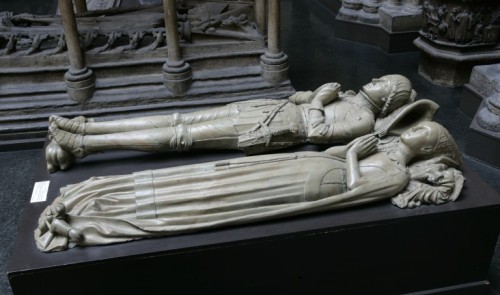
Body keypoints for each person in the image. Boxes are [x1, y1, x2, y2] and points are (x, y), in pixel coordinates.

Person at [35, 121, 464, 252]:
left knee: (217, 195)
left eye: (424, 132)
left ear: (429, 147)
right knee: (214, 177)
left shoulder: (398, 175)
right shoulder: (383, 153)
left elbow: (351, 192)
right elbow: (338, 160)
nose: (415, 131)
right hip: (300, 166)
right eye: (419, 126)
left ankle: (124, 211)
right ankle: (106, 195)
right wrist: (345, 150)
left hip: (302, 188)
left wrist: (353, 155)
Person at [45, 74, 433, 173]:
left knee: (181, 136)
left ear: (388, 99)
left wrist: (316, 100)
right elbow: (298, 99)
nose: (377, 81)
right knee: (176, 117)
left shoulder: (363, 118)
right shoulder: (348, 97)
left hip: (268, 131)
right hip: (263, 107)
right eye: (382, 77)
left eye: (385, 83)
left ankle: (87, 146)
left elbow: (316, 133)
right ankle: (86, 127)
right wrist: (310, 96)